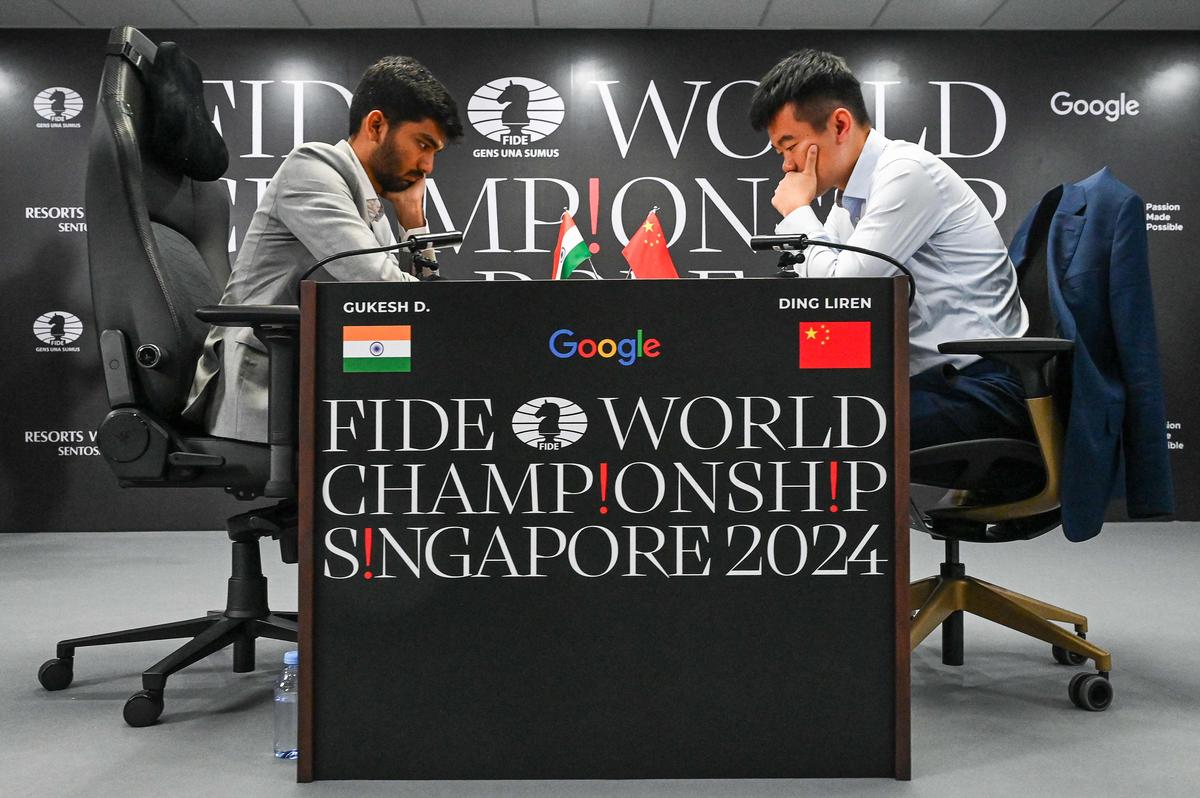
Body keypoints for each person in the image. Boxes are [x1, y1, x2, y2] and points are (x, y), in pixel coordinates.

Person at [749, 49, 1031, 450]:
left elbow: (843, 293)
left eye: (790, 145)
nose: (787, 166)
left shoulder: (905, 173)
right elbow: (829, 306)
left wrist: (797, 211)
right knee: (784, 407)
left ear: (840, 124)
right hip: (939, 383)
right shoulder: (848, 205)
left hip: (985, 389)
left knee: (815, 429)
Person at [184, 55, 462, 443]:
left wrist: (414, 218)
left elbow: (411, 302)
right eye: (423, 144)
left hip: (311, 380)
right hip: (267, 393)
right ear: (377, 125)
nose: (428, 166)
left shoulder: (371, 203)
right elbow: (382, 288)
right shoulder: (312, 169)